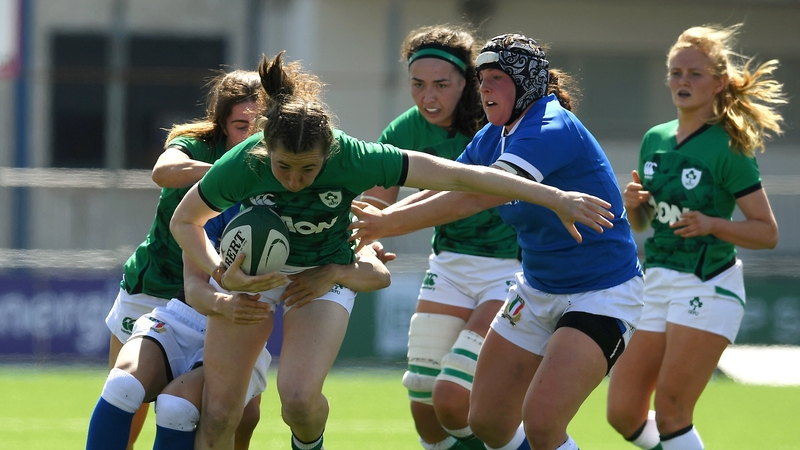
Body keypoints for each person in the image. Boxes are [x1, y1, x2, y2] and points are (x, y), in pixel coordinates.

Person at [169, 51, 616, 450]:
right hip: (251, 277)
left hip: (324, 270)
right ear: (266, 151)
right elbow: (184, 221)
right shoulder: (244, 162)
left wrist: (555, 197)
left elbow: (463, 179)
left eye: (308, 170)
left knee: (300, 403)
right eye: (283, 167)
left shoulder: (357, 157)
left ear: (331, 154)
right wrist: (223, 272)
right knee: (221, 412)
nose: (293, 180)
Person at [348, 33, 644, 450]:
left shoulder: (548, 125)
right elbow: (452, 181)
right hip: (537, 288)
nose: (484, 88)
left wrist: (388, 223)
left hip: (600, 293)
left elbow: (477, 195)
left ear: (526, 83)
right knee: (486, 421)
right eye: (481, 78)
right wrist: (385, 216)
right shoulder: (494, 133)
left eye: (497, 78)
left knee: (542, 423)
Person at [606, 24, 784, 450]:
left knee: (671, 411)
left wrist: (713, 224)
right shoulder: (656, 138)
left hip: (709, 284)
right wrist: (634, 207)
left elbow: (767, 233)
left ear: (719, 83)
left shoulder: (729, 146)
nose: (682, 81)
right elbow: (644, 225)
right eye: (675, 72)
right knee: (623, 411)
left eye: (694, 74)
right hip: (657, 283)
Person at [360, 25, 520, 450]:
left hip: (514, 269)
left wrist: (387, 224)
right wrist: (366, 240)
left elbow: (469, 196)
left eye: (441, 85)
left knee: (453, 397)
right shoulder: (402, 133)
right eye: (418, 84)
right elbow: (376, 208)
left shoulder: (494, 124)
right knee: (425, 410)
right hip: (449, 266)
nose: (428, 97)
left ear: (466, 82)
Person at [94, 69, 265, 450]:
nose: (250, 136)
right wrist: (229, 176)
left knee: (243, 415)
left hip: (213, 299)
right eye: (240, 125)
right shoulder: (195, 145)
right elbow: (163, 171)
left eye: (259, 126)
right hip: (155, 288)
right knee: (127, 394)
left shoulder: (277, 165)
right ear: (221, 124)